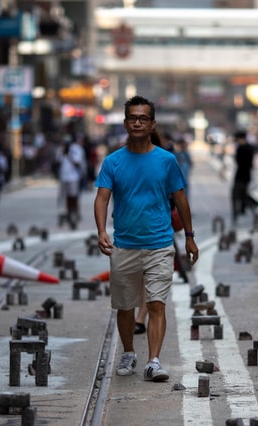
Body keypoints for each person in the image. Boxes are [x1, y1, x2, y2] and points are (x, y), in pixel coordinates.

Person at [94, 95, 198, 382]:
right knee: (125, 307)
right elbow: (102, 199)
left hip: (160, 244)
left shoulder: (166, 161)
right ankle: (129, 351)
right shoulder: (113, 161)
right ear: (126, 123)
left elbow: (181, 199)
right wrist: (102, 231)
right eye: (133, 118)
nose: (137, 123)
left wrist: (189, 237)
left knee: (156, 304)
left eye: (143, 118)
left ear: (152, 124)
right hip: (124, 245)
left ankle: (153, 360)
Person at [56, 135, 86, 227]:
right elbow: (57, 162)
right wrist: (63, 153)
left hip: (74, 177)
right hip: (63, 177)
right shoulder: (61, 149)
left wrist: (69, 155)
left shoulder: (76, 149)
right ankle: (68, 213)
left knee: (74, 196)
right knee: (67, 197)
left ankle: (76, 212)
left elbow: (78, 162)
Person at [231, 130, 255, 225]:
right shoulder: (250, 148)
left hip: (240, 176)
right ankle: (251, 210)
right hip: (247, 176)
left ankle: (235, 216)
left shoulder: (240, 149)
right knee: (244, 196)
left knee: (235, 197)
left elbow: (238, 162)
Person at [174, 137, 193, 202]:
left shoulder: (186, 153)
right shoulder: (176, 153)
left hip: (185, 177)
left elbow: (190, 163)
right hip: (178, 179)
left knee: (185, 191)